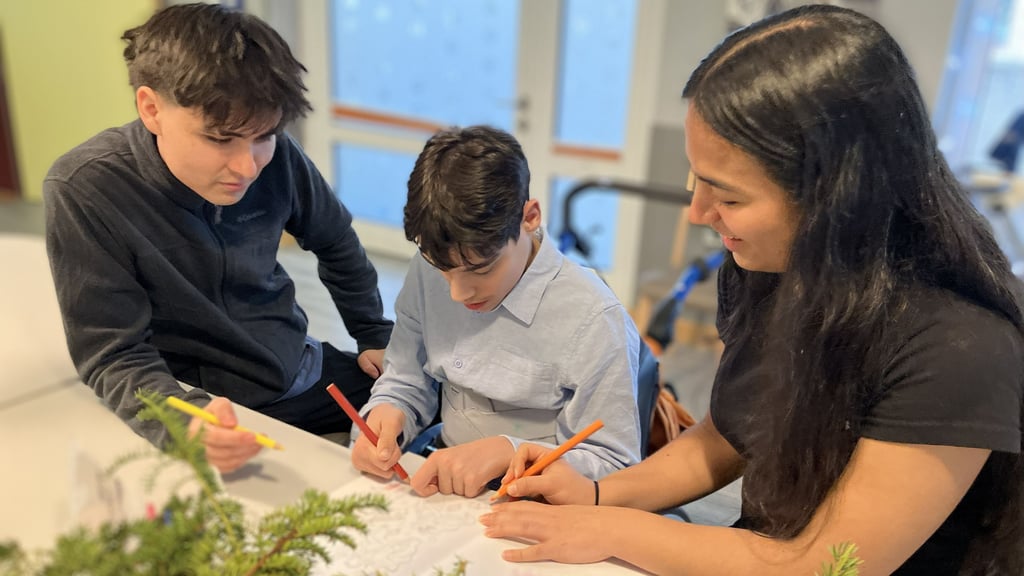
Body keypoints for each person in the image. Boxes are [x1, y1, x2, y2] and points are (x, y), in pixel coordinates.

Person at [480, 5, 1024, 575]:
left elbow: (825, 566)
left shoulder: (962, 349)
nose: (697, 213)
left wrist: (614, 528)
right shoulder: (769, 266)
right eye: (695, 181)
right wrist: (596, 496)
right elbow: (729, 434)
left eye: (728, 197)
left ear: (838, 198)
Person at [43, 3, 393, 474]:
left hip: (300, 370)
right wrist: (184, 425)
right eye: (220, 139)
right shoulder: (86, 187)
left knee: (432, 406)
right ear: (151, 109)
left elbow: (335, 240)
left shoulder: (277, 156)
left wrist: (373, 333)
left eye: (265, 136)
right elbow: (114, 354)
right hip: (204, 405)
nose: (248, 166)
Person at [349, 125, 644, 498]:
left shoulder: (594, 318)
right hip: (444, 485)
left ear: (530, 217)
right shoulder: (429, 266)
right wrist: (388, 413)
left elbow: (614, 464)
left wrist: (511, 451)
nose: (458, 293)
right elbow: (406, 377)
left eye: (481, 270)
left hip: (539, 504)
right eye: (444, 270)